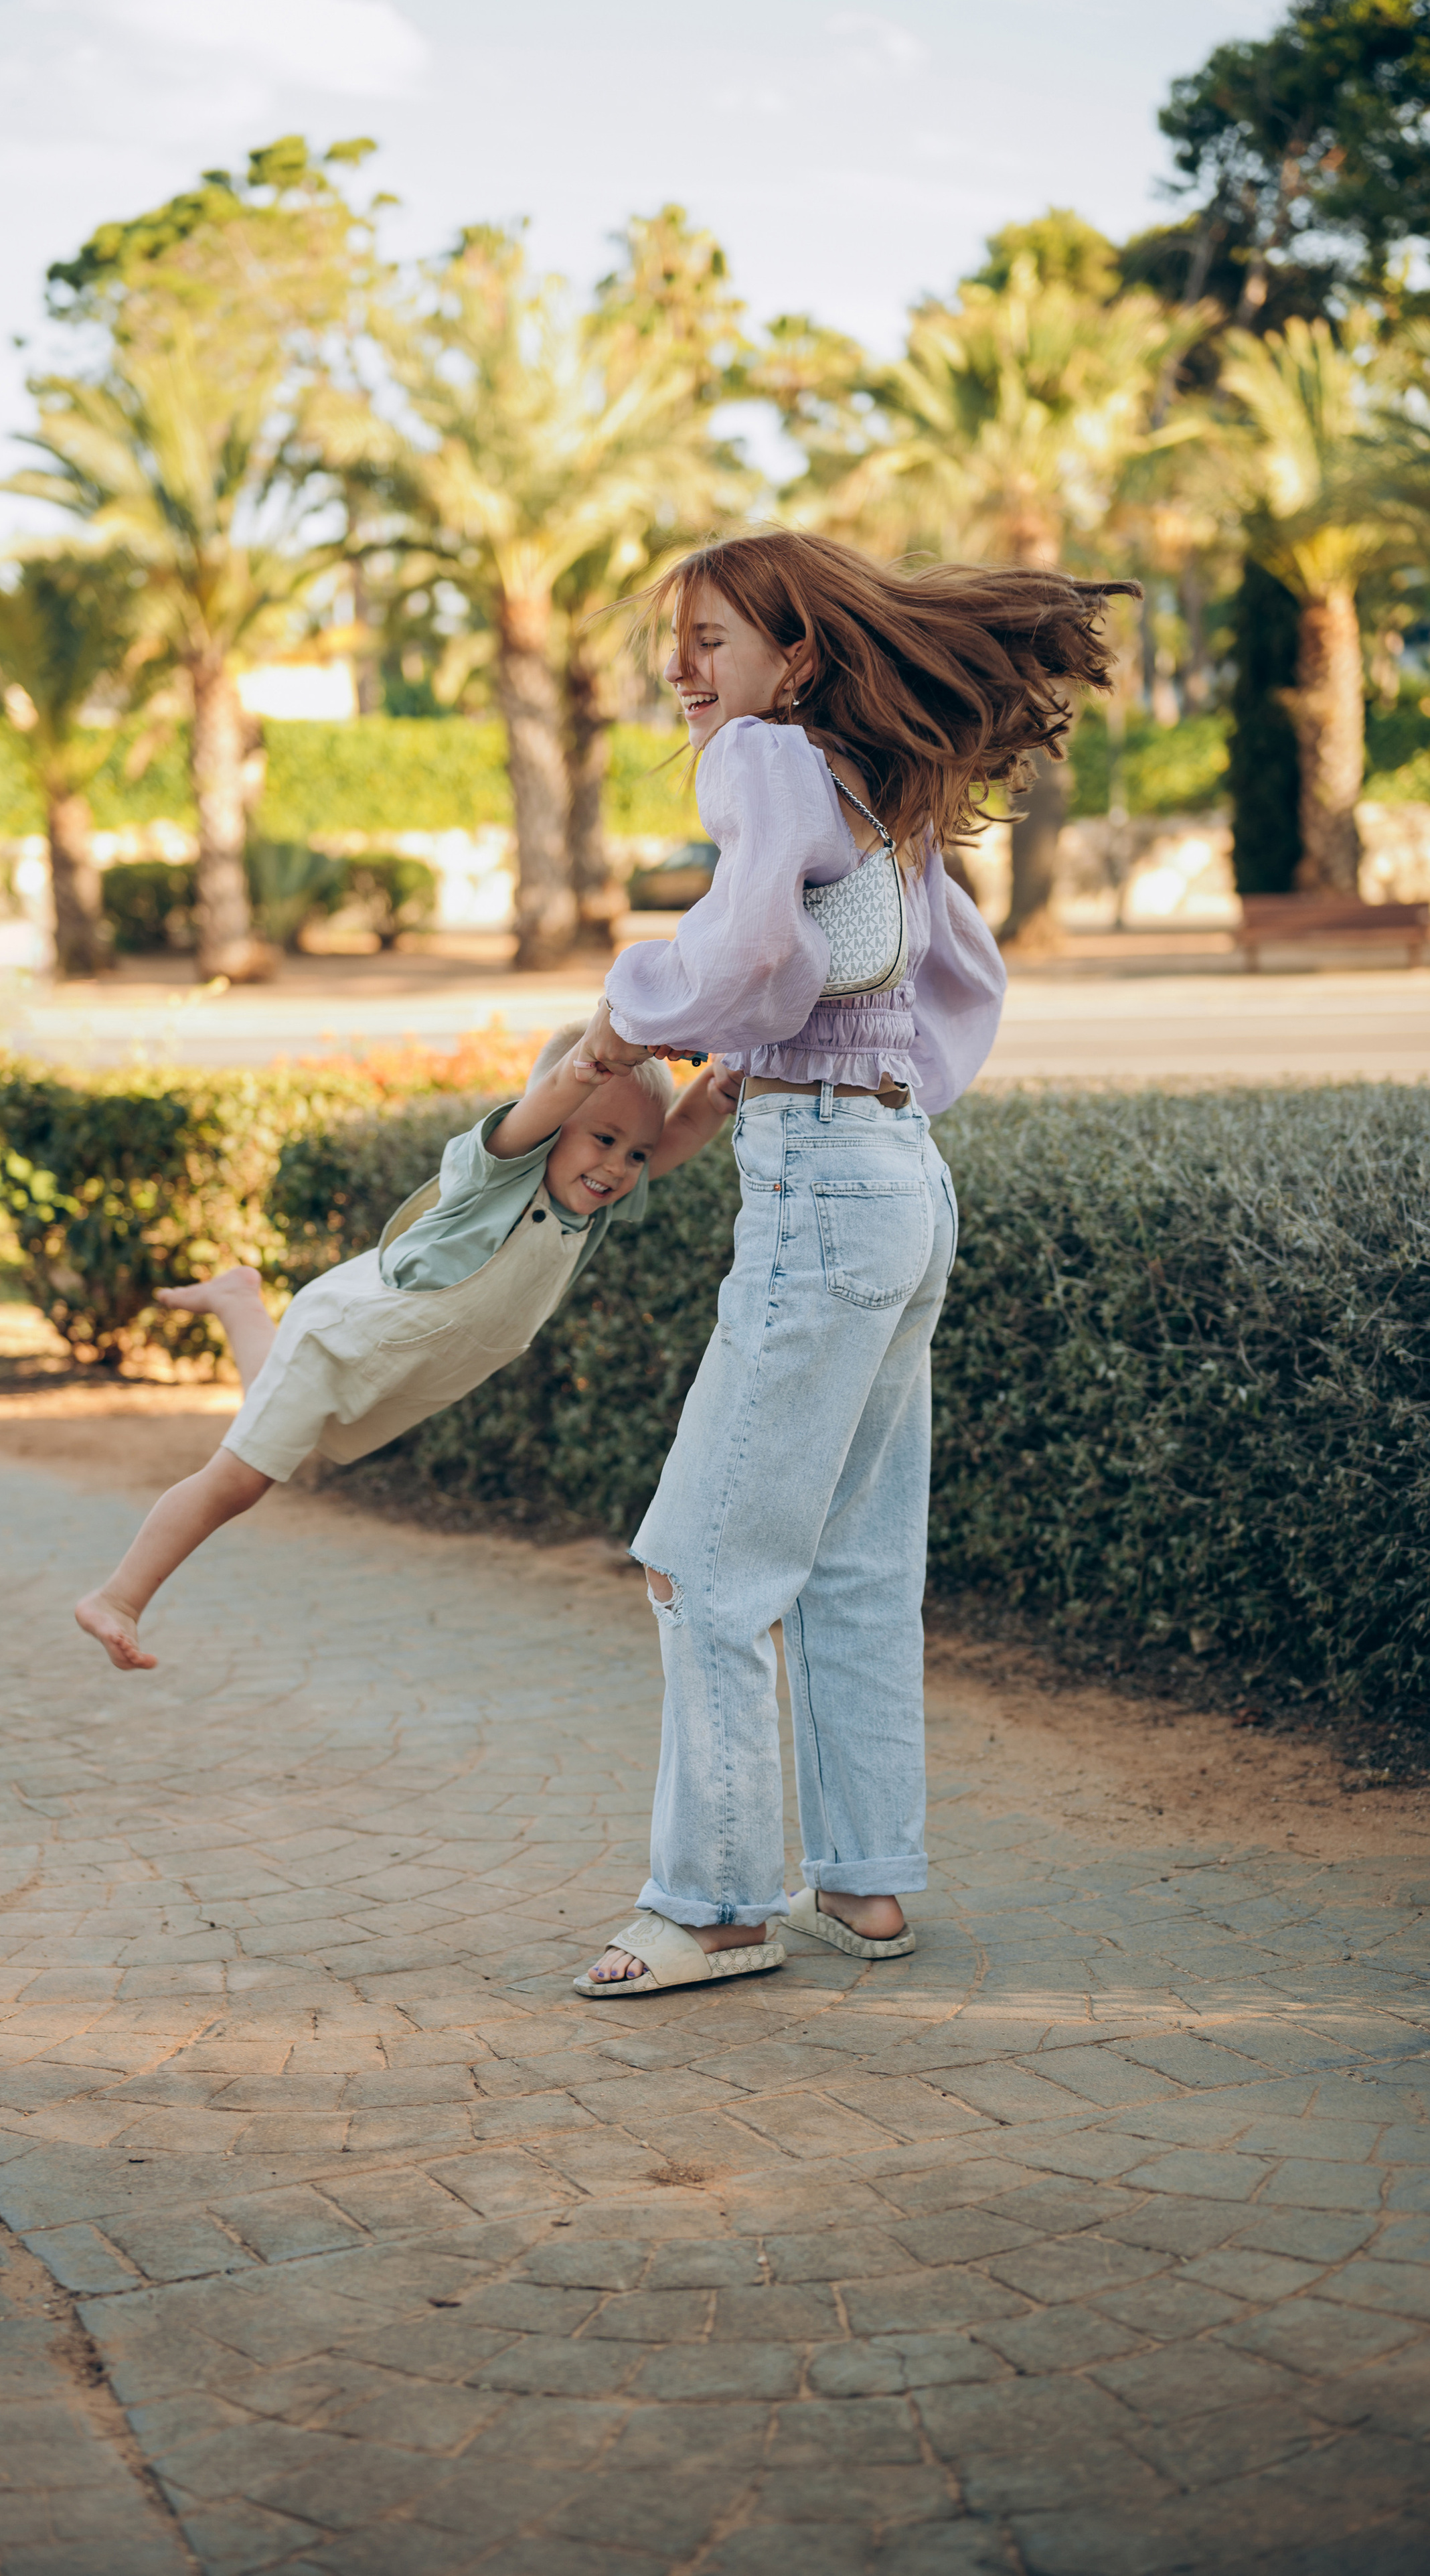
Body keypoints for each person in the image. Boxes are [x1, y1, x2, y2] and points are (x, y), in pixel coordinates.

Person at [573, 527, 1139, 1998]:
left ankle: (710, 1910)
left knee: (697, 1561)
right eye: (676, 642)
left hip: (828, 1185)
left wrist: (626, 1016)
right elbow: (941, 981)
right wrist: (779, 1092)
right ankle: (866, 1888)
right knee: (854, 1558)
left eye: (709, 640)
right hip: (898, 1179)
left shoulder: (763, 763)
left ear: (792, 655)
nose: (681, 670)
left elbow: (752, 954)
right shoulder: (875, 784)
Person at [75, 1027, 742, 1669]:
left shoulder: (589, 1209)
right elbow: (558, 1092)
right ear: (557, 1120)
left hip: (390, 1368)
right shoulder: (499, 1171)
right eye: (603, 1138)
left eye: (634, 1153)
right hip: (336, 1341)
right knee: (239, 1480)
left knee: (277, 1424)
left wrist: (719, 1081)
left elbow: (676, 1133)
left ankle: (236, 1298)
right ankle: (117, 1597)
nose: (618, 1167)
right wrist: (604, 1040)